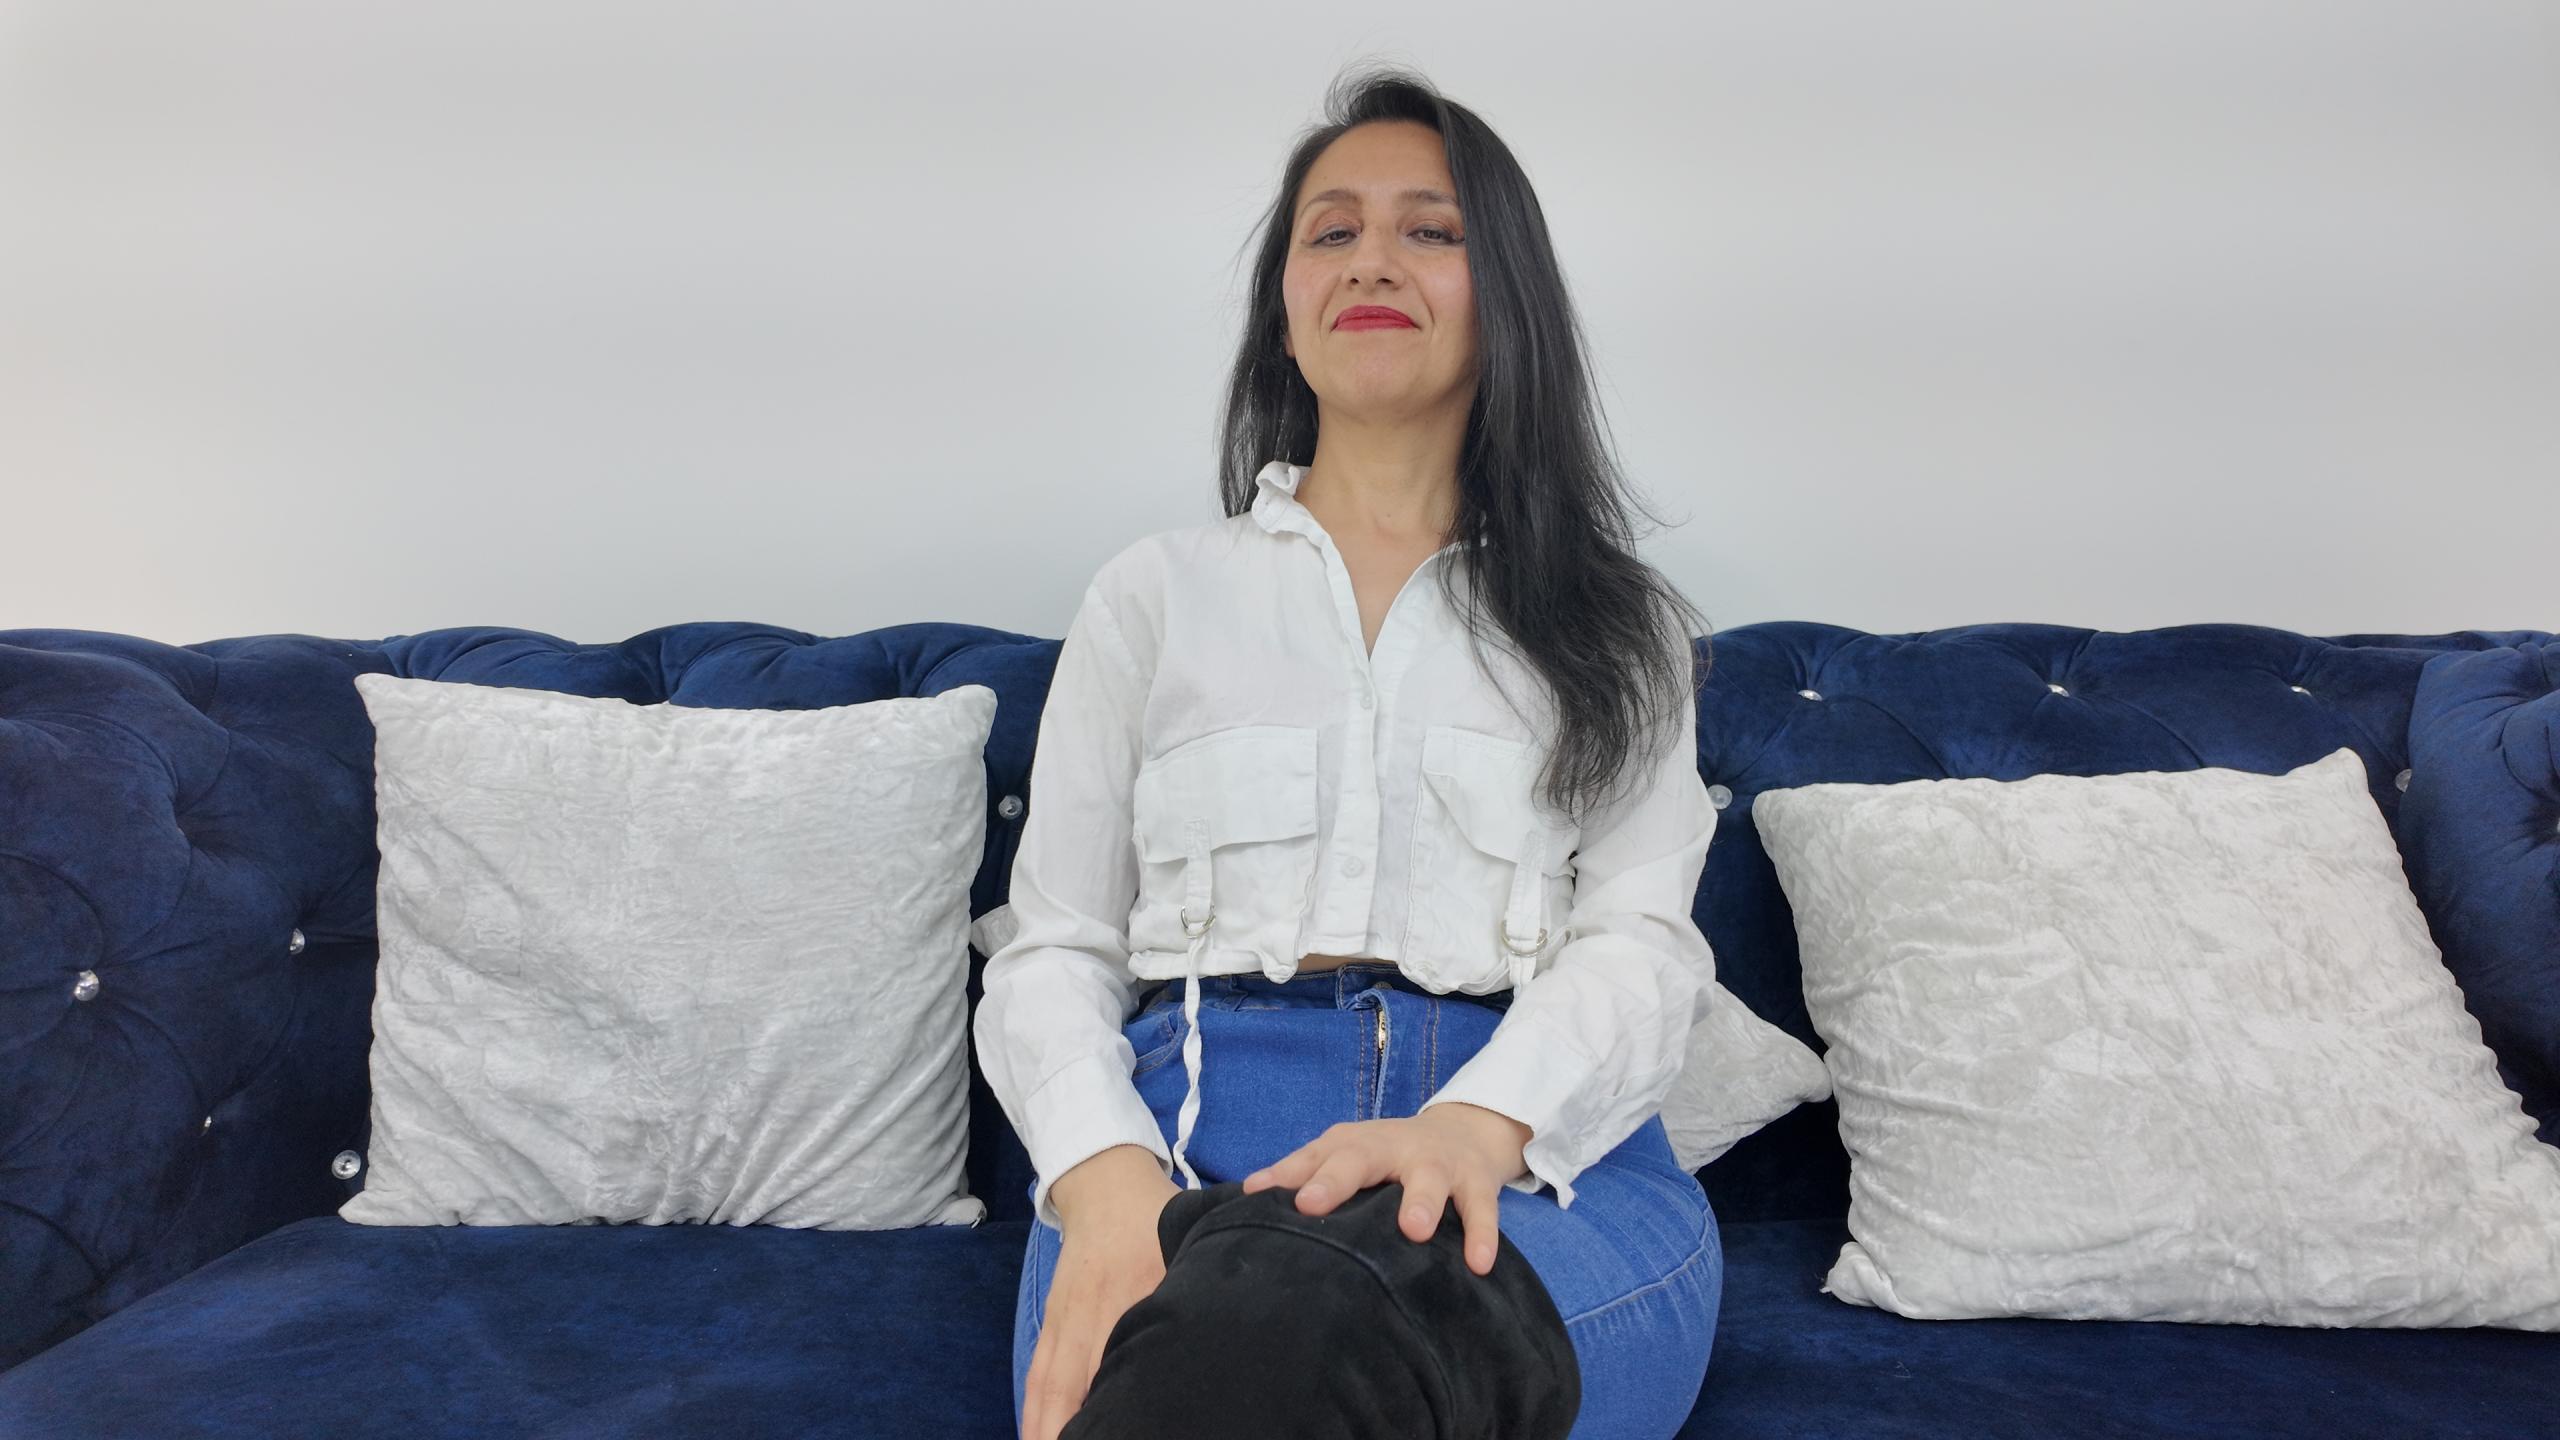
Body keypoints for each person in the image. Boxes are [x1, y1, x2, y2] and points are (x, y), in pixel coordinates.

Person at [974, 61, 1725, 1440]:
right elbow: (1054, 948)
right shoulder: (1153, 597)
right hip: (1177, 1150)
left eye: (1430, 230)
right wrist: (1102, 1179)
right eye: (1333, 231)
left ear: (1506, 295)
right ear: (1285, 309)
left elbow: (1644, 948)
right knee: (1253, 1335)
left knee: (1312, 1333)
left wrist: (1473, 1128)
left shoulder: (1622, 625)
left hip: (1533, 1172)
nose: (1373, 258)